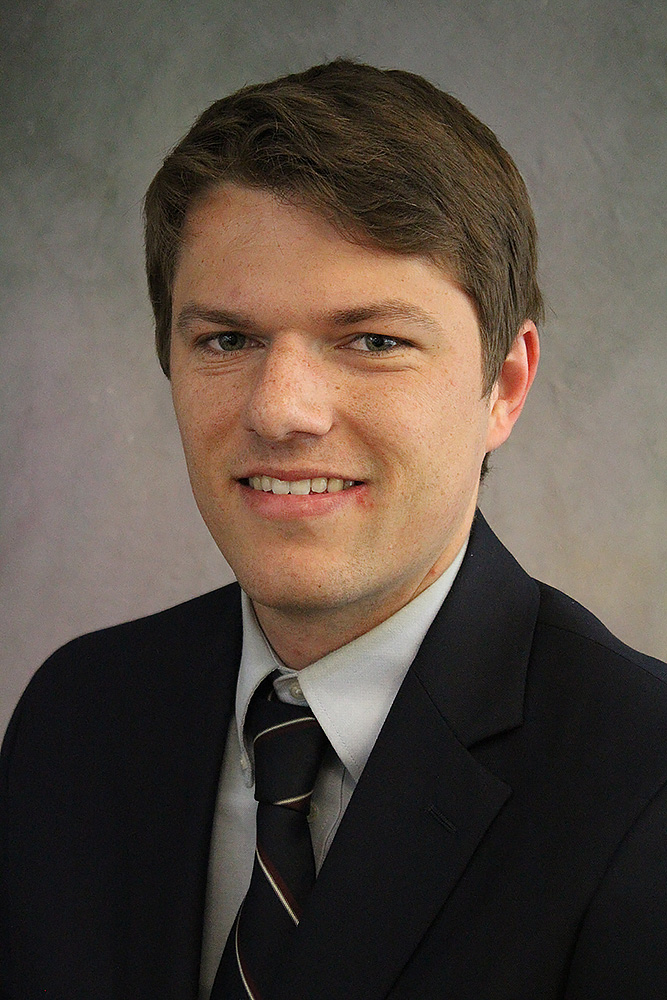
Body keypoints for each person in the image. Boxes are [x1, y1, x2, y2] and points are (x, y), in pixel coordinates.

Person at [1, 60, 666, 1000]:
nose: (281, 410)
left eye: (373, 341)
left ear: (504, 386)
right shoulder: (76, 718)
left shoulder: (641, 781)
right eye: (228, 340)